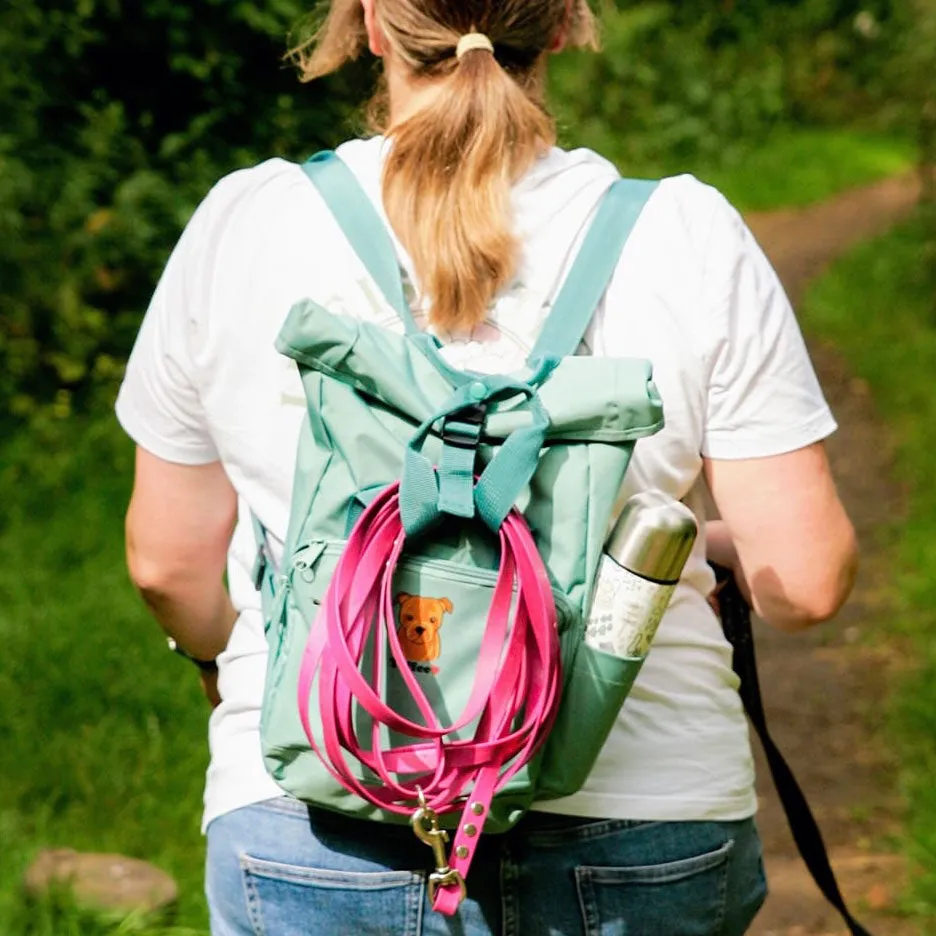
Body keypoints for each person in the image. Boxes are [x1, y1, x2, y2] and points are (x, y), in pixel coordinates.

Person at [117, 1, 858, 933]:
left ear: (373, 23)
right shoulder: (685, 231)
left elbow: (165, 564)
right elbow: (808, 579)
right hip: (640, 825)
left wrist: (216, 657)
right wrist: (691, 547)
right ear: (562, 26)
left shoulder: (245, 222)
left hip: (319, 813)